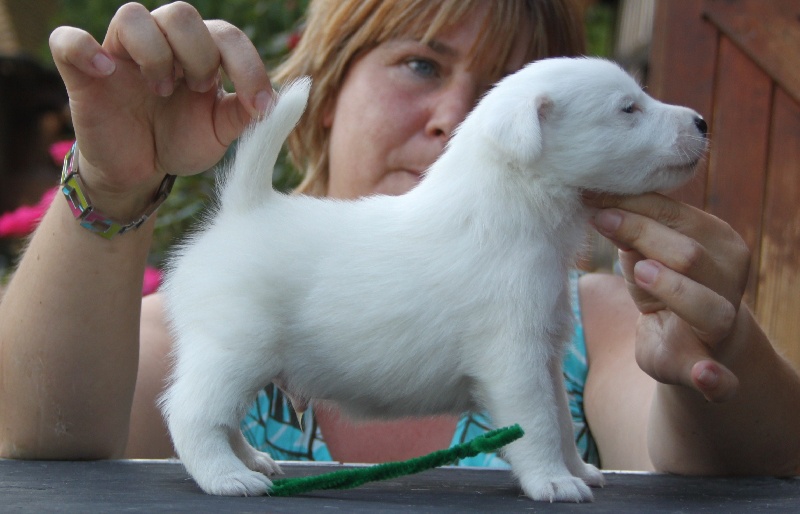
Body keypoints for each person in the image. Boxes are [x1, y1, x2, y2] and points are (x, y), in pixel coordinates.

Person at [1, 0, 798, 477]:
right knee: (226, 359)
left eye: (491, 87)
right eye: (420, 64)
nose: (457, 113)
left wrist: (719, 353)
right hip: (262, 253)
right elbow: (33, 439)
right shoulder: (161, 329)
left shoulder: (601, 318)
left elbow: (729, 462)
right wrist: (108, 187)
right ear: (326, 91)